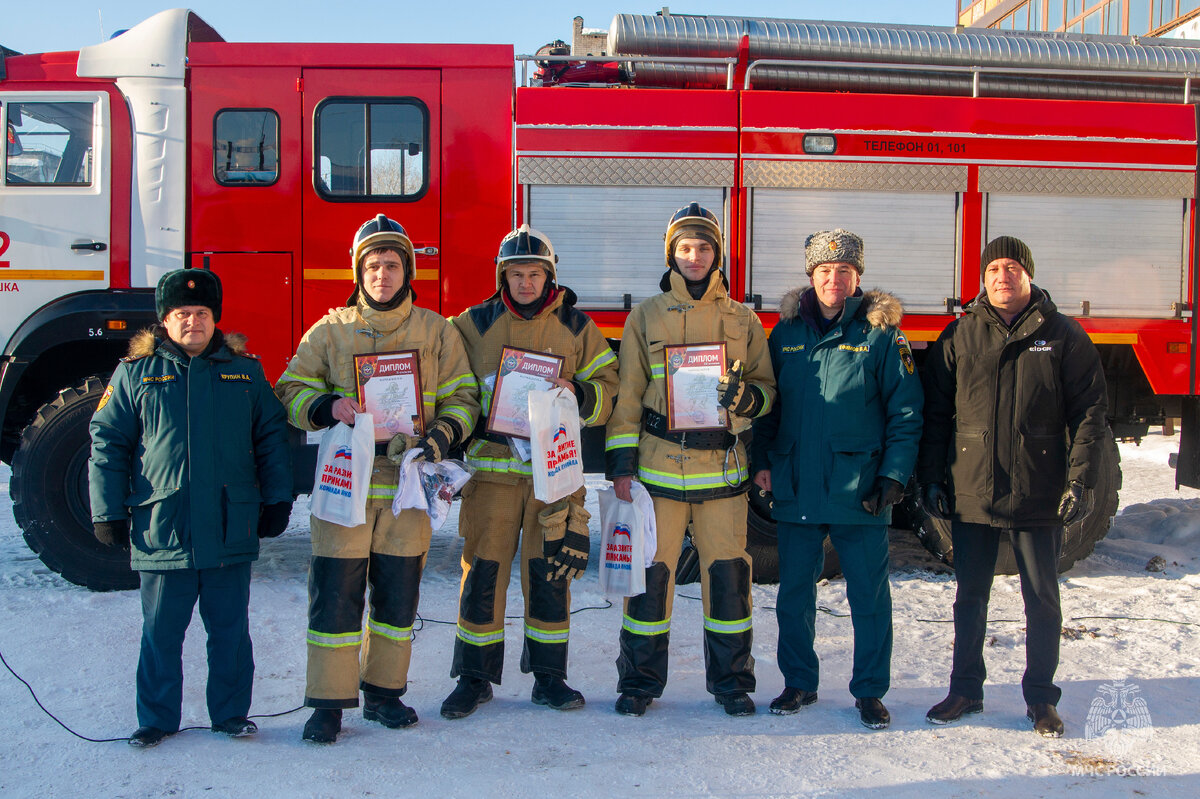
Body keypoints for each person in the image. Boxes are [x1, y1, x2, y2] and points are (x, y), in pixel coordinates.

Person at [275, 214, 479, 743]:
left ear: (406, 270)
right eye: (372, 265)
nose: (381, 273)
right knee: (335, 598)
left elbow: (464, 397)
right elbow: (289, 389)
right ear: (358, 271)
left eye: (391, 264)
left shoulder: (437, 331)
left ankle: (384, 693)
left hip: (408, 491)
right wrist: (324, 405)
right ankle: (327, 704)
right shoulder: (331, 330)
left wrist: (441, 438)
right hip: (347, 489)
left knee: (396, 600)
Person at [89, 268, 293, 749]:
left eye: (201, 313)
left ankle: (230, 715)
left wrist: (277, 498)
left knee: (230, 633)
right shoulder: (134, 374)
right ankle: (156, 720)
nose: (193, 322)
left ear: (214, 319)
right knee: (160, 634)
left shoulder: (246, 371)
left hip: (229, 526)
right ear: (165, 321)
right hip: (164, 526)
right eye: (182, 313)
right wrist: (107, 512)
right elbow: (108, 443)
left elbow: (271, 438)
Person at [918, 236, 1108, 738]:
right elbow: (936, 414)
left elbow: (1089, 414)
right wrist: (933, 477)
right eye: (994, 268)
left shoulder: (1063, 335)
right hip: (973, 491)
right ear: (982, 279)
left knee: (1042, 599)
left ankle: (1042, 699)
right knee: (969, 597)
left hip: (1038, 491)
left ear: (1029, 274)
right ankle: (965, 689)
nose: (1003, 276)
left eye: (1013, 267)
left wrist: (1080, 479)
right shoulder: (959, 336)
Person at [439, 224, 619, 719]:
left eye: (534, 274)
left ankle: (550, 677)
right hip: (491, 478)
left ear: (549, 277)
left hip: (553, 477)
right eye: (516, 274)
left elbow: (609, 388)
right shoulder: (471, 324)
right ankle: (473, 678)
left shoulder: (579, 328)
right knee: (482, 575)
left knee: (549, 575)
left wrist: (579, 393)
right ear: (503, 276)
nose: (524, 283)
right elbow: (446, 382)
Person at [605, 202, 776, 717]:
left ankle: (731, 683)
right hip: (658, 471)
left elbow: (767, 390)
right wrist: (621, 465)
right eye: (685, 248)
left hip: (723, 471)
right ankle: (638, 683)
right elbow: (628, 396)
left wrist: (745, 401)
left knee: (727, 579)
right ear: (672, 255)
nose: (695, 256)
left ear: (717, 253)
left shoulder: (742, 318)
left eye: (704, 247)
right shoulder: (645, 317)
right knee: (651, 578)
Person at [750, 229, 923, 730]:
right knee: (794, 595)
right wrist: (763, 459)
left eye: (844, 271)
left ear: (858, 278)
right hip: (797, 485)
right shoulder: (784, 335)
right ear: (812, 277)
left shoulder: (882, 335)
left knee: (868, 596)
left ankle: (870, 691)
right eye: (825, 271)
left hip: (859, 489)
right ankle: (799, 682)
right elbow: (768, 408)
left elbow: (907, 411)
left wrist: (893, 475)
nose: (834, 279)